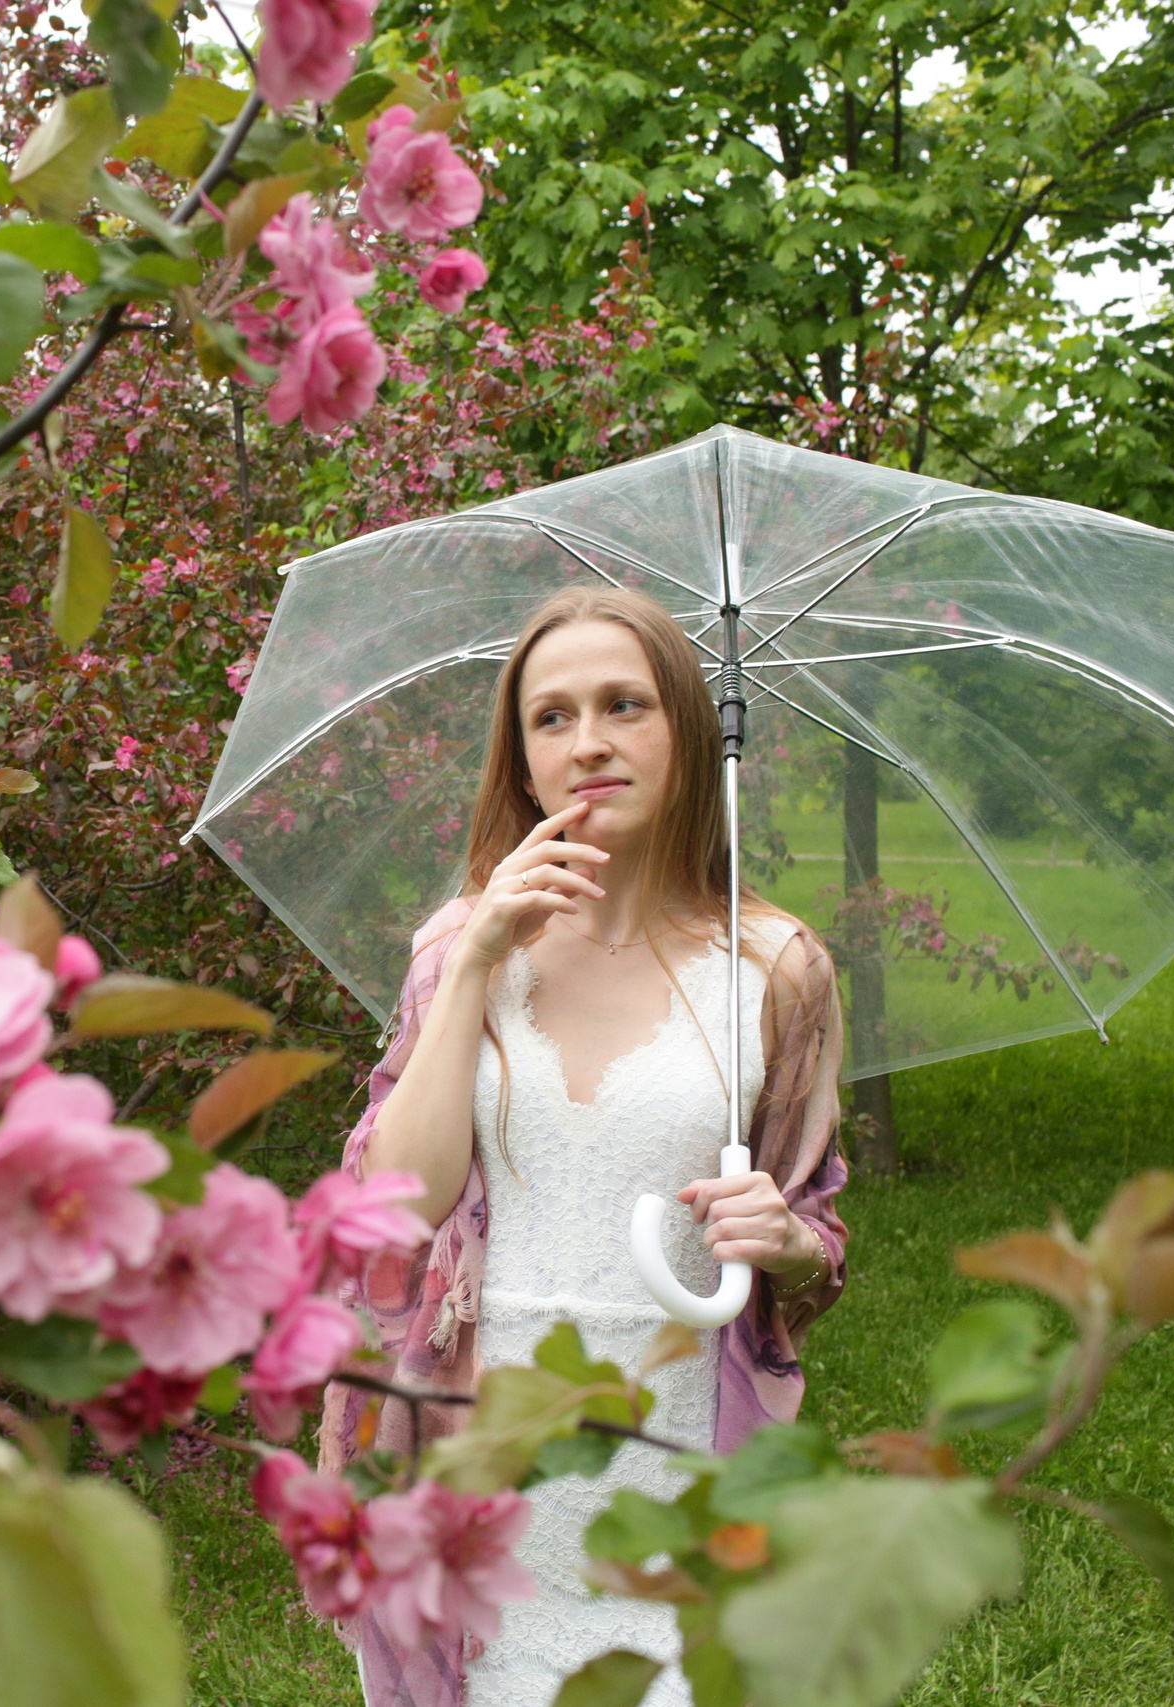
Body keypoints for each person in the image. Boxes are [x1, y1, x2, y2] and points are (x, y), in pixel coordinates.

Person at [321, 587, 851, 1707]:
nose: (589, 742)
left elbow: (814, 1247)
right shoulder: (459, 946)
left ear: (690, 737)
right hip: (478, 1465)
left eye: (625, 705)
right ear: (518, 761)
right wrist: (471, 966)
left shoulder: (777, 969)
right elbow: (395, 1212)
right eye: (551, 718)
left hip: (673, 1460)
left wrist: (784, 1239)